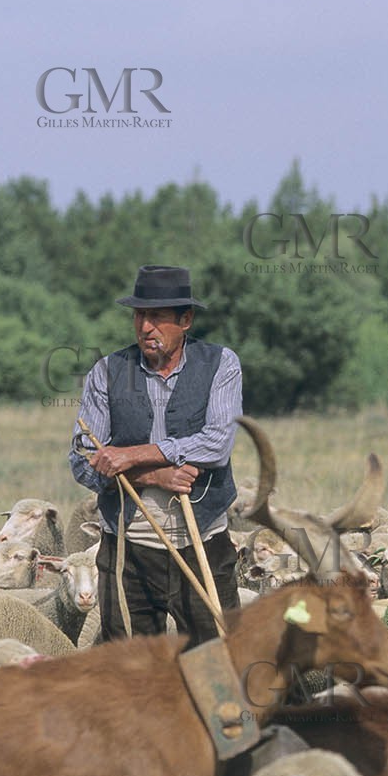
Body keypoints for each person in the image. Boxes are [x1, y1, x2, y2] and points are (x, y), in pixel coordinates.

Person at [68, 265, 244, 645]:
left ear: (185, 320)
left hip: (202, 538)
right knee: (134, 665)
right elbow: (82, 460)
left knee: (216, 657)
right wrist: (153, 476)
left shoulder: (221, 364)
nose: (146, 327)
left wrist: (136, 455)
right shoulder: (107, 372)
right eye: (139, 315)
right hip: (129, 545)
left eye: (158, 317)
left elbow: (217, 443)